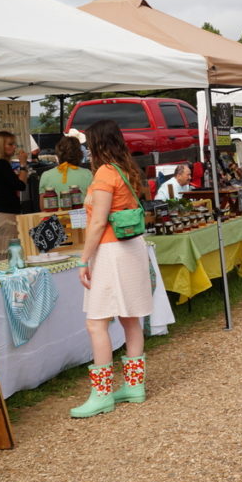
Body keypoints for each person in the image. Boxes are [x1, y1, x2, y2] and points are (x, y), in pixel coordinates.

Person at [73, 119, 153, 418]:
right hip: (130, 248)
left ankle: (102, 393)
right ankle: (133, 386)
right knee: (130, 319)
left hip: (111, 252)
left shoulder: (105, 173)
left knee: (97, 322)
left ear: (96, 144)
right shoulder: (125, 168)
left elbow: (98, 222)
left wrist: (83, 259)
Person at [0, 130, 29, 261]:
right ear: (0, 146)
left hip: (0, 214)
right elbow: (21, 185)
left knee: (3, 255)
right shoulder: (1, 164)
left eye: (14, 144)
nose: (14, 147)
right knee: (10, 256)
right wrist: (23, 165)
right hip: (6, 215)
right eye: (10, 144)